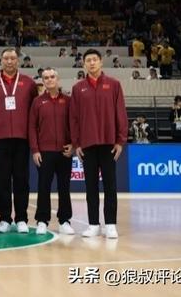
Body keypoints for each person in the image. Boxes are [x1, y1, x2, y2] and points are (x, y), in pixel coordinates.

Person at [70, 49, 128, 239]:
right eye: (88, 60)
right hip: (87, 144)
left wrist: (120, 140)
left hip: (109, 143)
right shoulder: (78, 88)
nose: (92, 63)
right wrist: (77, 143)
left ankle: (110, 224)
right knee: (91, 186)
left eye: (95, 59)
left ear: (101, 62)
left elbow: (121, 113)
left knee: (110, 185)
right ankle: (93, 224)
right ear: (84, 64)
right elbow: (74, 118)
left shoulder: (114, 84)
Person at [0, 47, 38, 234]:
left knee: (21, 180)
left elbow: (35, 112)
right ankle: (4, 218)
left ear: (18, 61)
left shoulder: (28, 83)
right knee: (2, 180)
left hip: (22, 139)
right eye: (6, 58)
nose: (10, 61)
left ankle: (21, 219)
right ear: (1, 61)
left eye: (13, 58)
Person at [28, 68, 74, 235]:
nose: (49, 80)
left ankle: (64, 220)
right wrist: (35, 150)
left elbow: (75, 124)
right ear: (43, 81)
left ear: (57, 79)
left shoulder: (68, 101)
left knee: (64, 187)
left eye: (52, 77)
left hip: (64, 151)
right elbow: (32, 127)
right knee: (43, 187)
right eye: (46, 78)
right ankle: (42, 220)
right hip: (44, 152)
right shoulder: (37, 102)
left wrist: (74, 144)